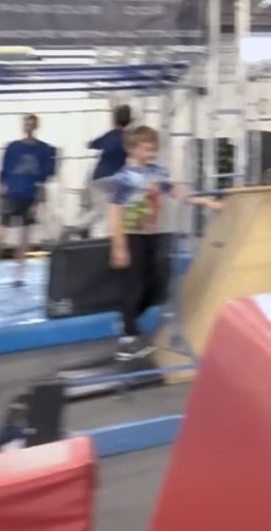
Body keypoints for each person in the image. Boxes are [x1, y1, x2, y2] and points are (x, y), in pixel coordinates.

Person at [106, 125, 221, 360]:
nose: (152, 153)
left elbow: (177, 193)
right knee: (134, 286)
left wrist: (207, 202)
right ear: (132, 149)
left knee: (155, 287)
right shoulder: (123, 178)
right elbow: (114, 212)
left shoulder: (157, 173)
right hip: (130, 236)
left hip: (151, 236)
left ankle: (126, 321)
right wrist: (118, 246)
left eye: (154, 149)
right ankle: (127, 340)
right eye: (147, 149)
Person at [0, 115, 56, 283]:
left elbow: (43, 179)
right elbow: (3, 173)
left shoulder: (44, 150)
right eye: (26, 124)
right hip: (11, 194)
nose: (28, 127)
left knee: (24, 236)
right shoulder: (13, 147)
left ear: (36, 126)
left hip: (29, 195)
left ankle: (19, 274)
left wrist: (37, 203)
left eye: (31, 124)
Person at [85, 105, 134, 234]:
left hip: (99, 177)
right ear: (129, 120)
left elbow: (92, 144)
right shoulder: (127, 138)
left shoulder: (109, 136)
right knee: (117, 210)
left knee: (99, 211)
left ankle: (85, 230)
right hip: (115, 178)